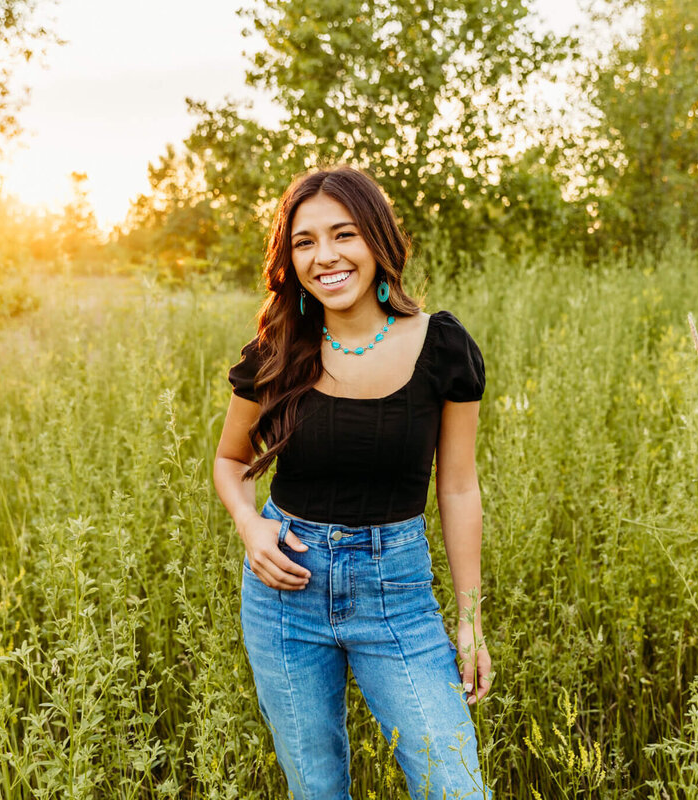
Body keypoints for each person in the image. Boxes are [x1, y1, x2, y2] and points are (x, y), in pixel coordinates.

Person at [213, 165, 494, 799]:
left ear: (378, 240)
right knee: (317, 789)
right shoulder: (277, 350)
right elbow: (230, 460)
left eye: (344, 234)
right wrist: (250, 523)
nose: (326, 256)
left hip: (395, 593)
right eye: (304, 241)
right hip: (285, 590)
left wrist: (470, 620)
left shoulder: (442, 347)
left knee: (455, 787)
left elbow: (458, 488)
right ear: (289, 259)